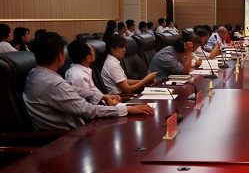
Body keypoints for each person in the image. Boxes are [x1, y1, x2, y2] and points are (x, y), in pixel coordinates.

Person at [23, 32, 154, 131]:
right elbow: (86, 110)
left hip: (72, 133)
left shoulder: (34, 74)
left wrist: (102, 96)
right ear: (60, 56)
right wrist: (127, 110)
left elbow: (69, 88)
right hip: (66, 139)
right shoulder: (54, 84)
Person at [65, 39, 121, 106]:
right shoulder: (78, 77)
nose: (94, 53)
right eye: (93, 50)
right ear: (88, 58)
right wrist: (109, 104)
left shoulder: (82, 70)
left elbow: (94, 94)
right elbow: (88, 105)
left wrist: (108, 97)